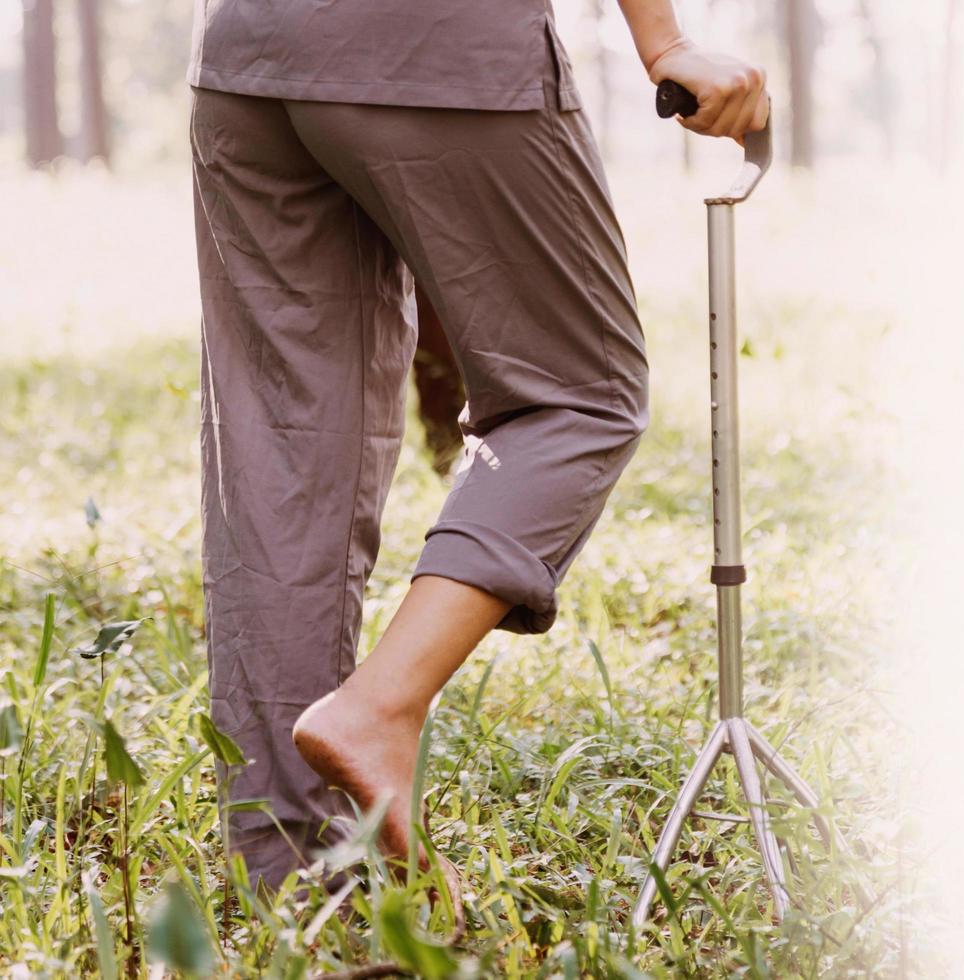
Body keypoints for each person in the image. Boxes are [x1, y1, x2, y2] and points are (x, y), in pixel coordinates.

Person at [188, 0, 769, 892]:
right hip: (442, 50)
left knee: (282, 444)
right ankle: (379, 706)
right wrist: (667, 43)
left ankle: (292, 872)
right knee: (579, 394)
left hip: (246, 58)